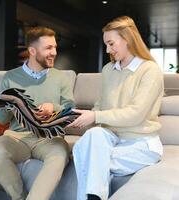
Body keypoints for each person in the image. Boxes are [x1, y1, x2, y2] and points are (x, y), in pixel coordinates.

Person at [68, 16, 164, 200]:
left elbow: (135, 115)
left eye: (111, 43)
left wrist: (95, 116)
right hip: (111, 140)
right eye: (106, 44)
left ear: (128, 39)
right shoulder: (108, 70)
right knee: (93, 136)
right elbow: (99, 107)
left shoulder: (149, 70)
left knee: (87, 158)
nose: (107, 50)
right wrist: (78, 119)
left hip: (140, 144)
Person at [0, 26, 75, 200]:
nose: (54, 52)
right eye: (48, 48)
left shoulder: (61, 77)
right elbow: (0, 118)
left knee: (60, 155)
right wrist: (9, 103)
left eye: (55, 47)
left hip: (49, 138)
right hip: (16, 137)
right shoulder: (10, 77)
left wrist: (54, 107)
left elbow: (70, 111)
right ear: (32, 51)